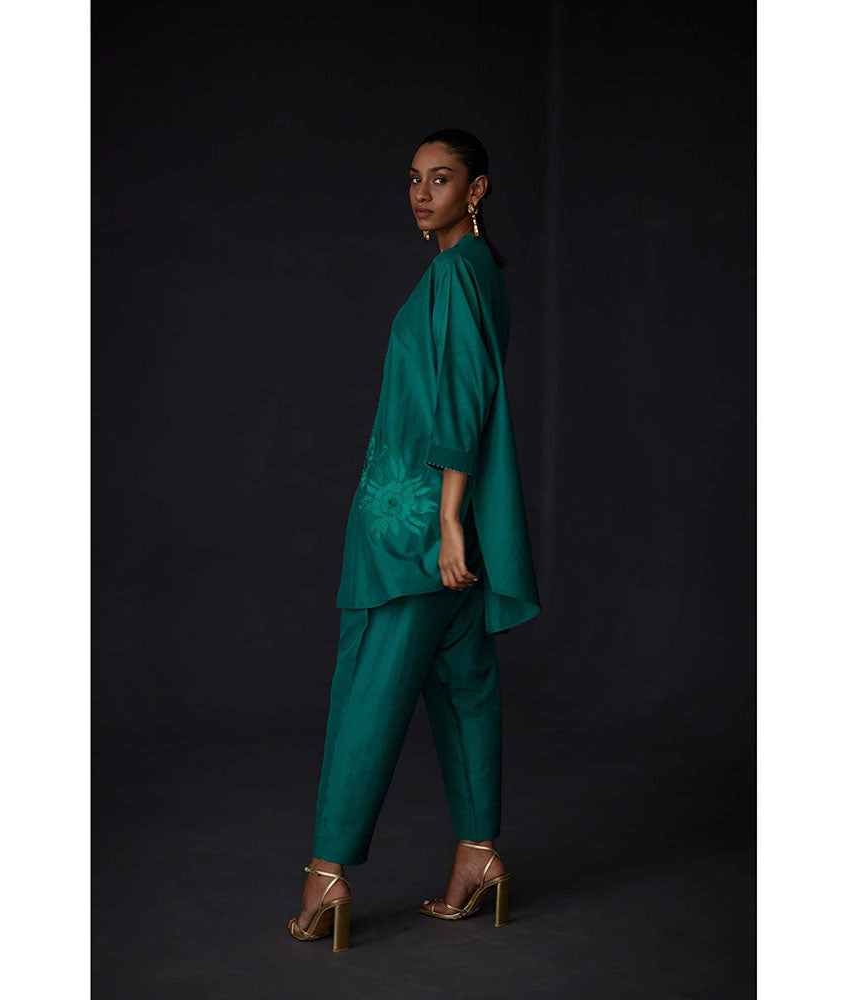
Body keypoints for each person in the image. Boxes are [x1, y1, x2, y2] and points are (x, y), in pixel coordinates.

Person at [286, 128, 541, 951]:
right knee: (466, 689)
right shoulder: (480, 272)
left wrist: (447, 523)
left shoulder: (455, 273)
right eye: (414, 179)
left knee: (368, 691)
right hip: (447, 526)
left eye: (442, 179)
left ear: (477, 191)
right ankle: (479, 855)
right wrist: (457, 525)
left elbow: (463, 401)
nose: (422, 194)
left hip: (415, 533)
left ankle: (326, 873)